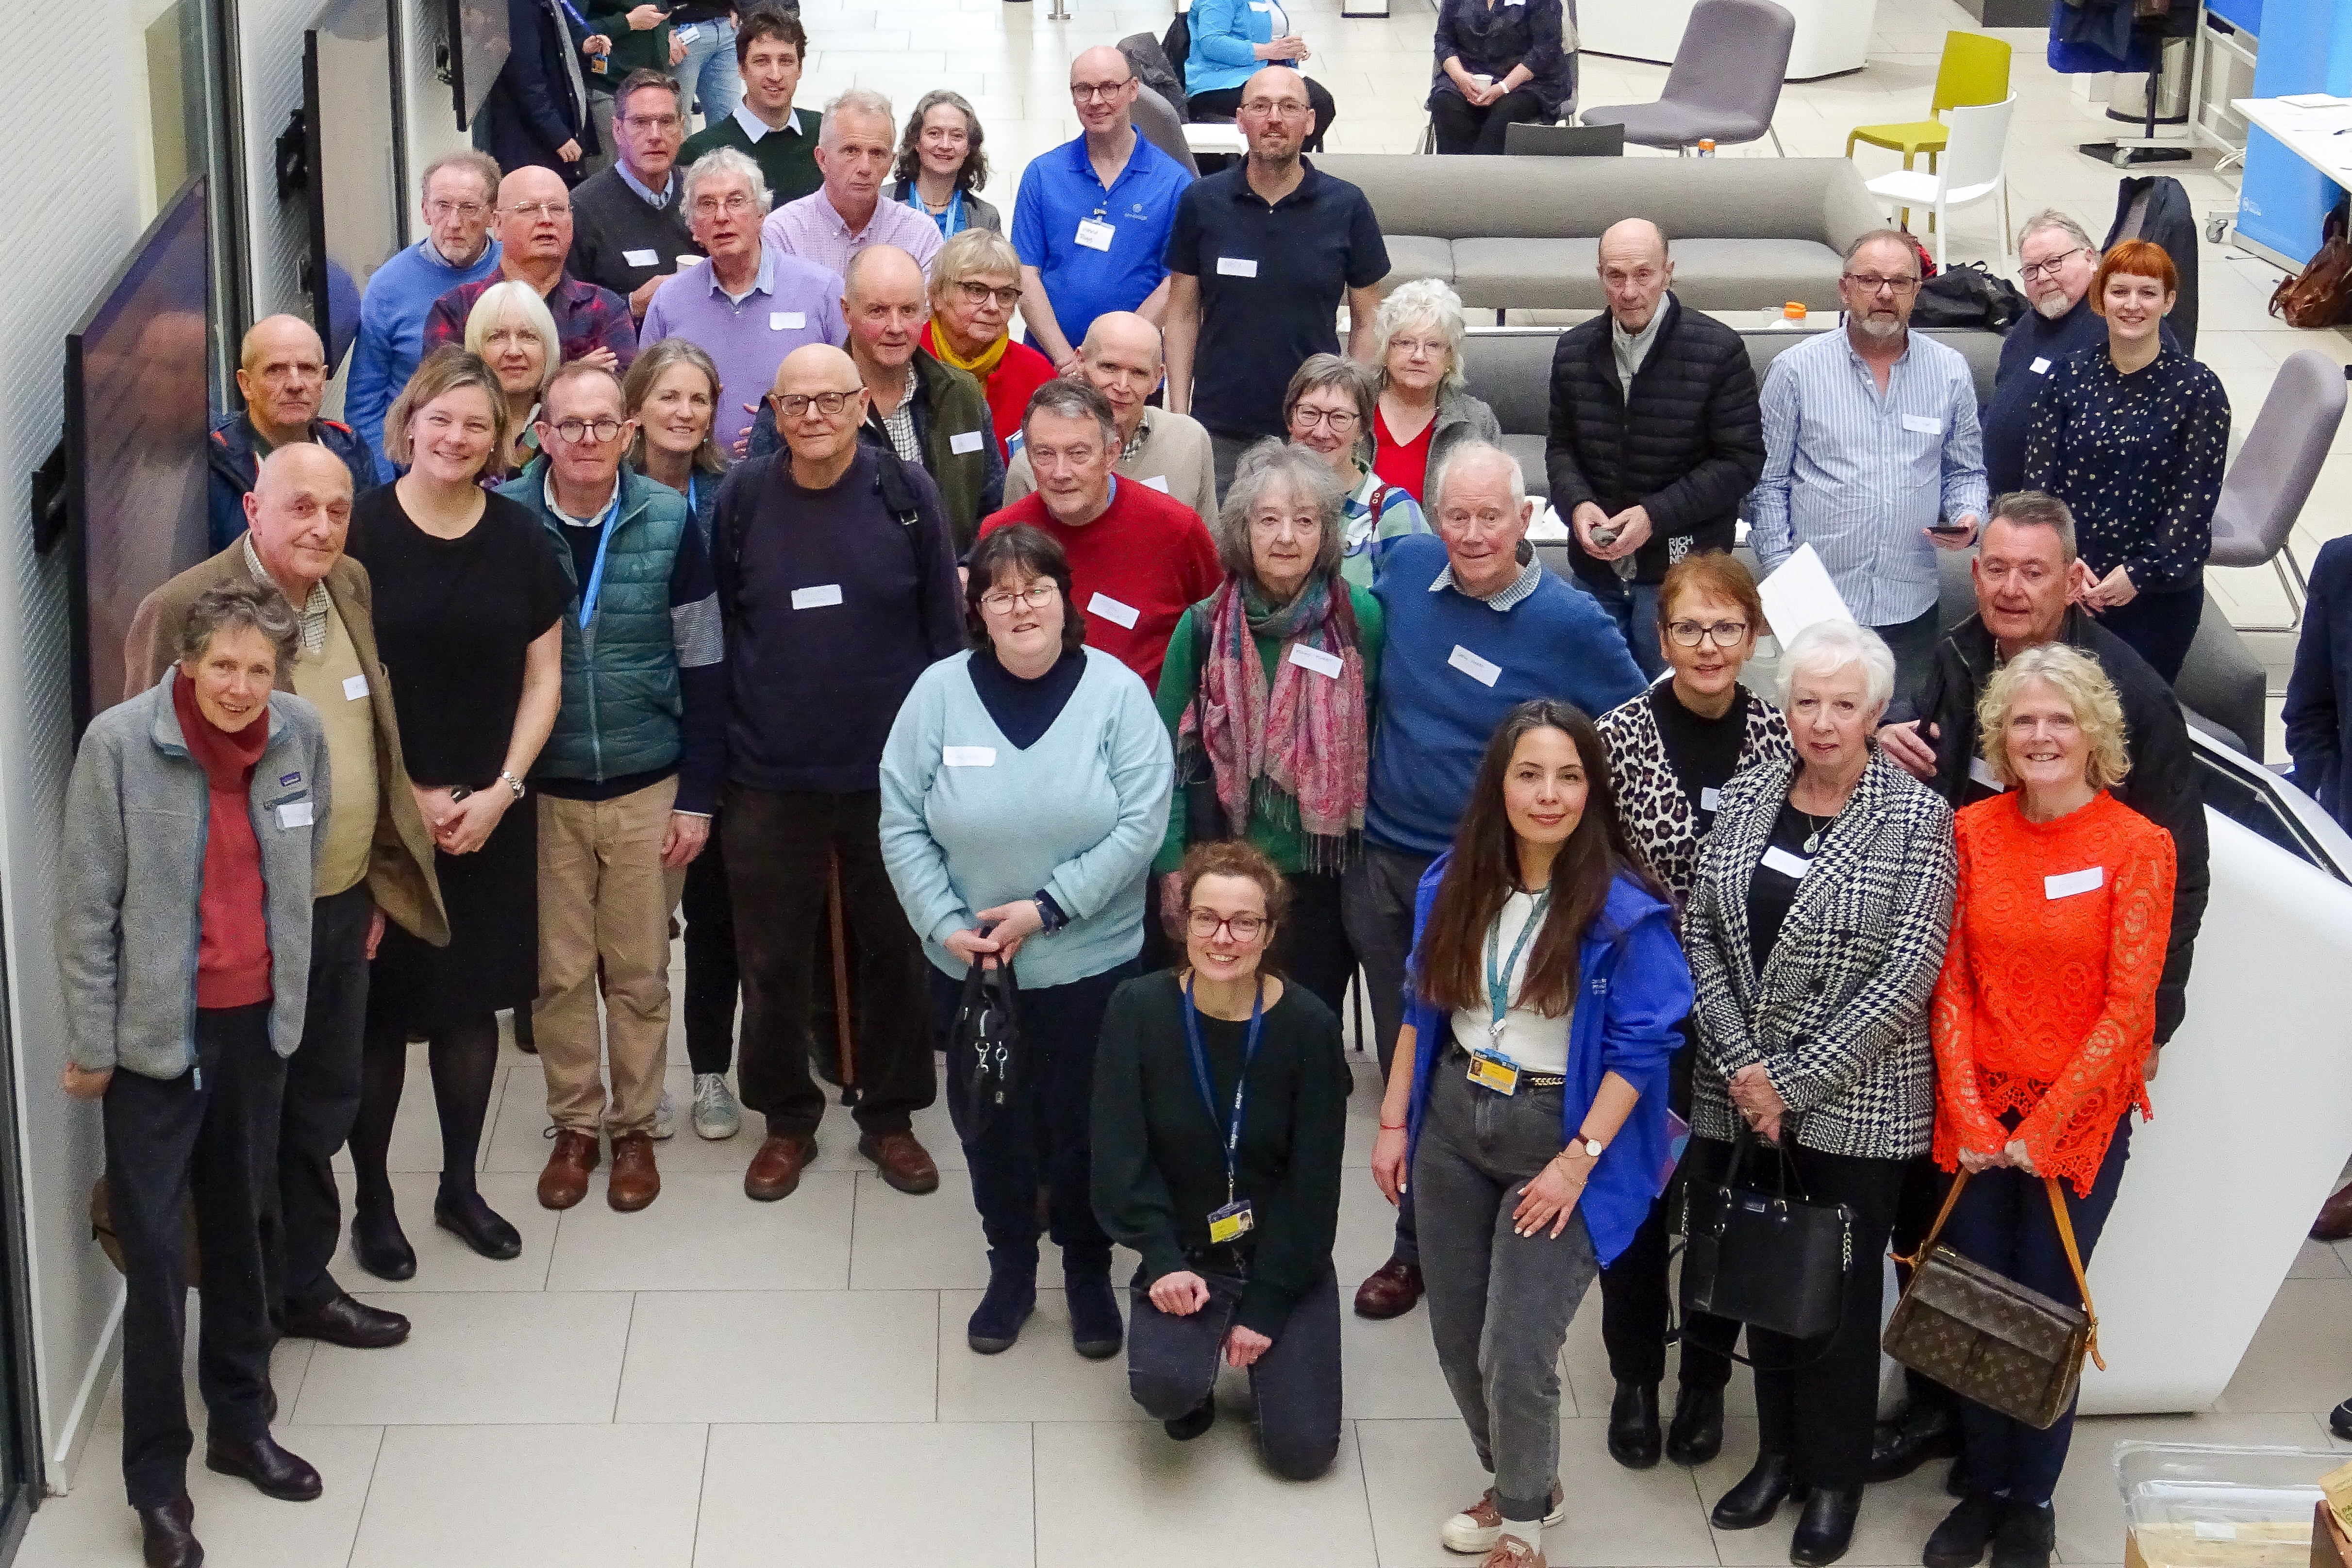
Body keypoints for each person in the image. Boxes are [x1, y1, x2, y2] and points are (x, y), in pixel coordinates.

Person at [1873, 491, 2208, 1475]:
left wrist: (2148, 1023)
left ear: (2071, 581)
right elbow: (1952, 816)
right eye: (1995, 567)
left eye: (2032, 571)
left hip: (2081, 1045)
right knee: (1956, 1256)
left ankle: (2021, 1488)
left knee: (2041, 1284)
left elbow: (2171, 871)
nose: (2010, 587)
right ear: (1972, 572)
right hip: (1973, 1034)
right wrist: (1898, 738)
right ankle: (1952, 1423)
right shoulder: (1960, 648)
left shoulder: (2130, 697)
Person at [124, 444, 450, 1360]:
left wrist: (377, 876)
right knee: (243, 1134)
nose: (320, 526)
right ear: (253, 507)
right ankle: (246, 1312)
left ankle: (303, 1284)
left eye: (337, 509)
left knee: (321, 1105)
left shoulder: (347, 581)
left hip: (341, 907)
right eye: (299, 507)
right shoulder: (184, 609)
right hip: (242, 930)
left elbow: (368, 734)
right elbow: (143, 784)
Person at [1368, 701, 1691, 1568]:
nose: (1548, 795)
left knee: (1517, 1347)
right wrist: (1395, 1120)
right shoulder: (1453, 884)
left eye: (1569, 776)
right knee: (1456, 1335)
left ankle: (1521, 1528)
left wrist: (1577, 1163)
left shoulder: (1625, 911)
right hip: (1451, 1117)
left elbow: (1643, 1049)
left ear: (1593, 788)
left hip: (1564, 1133)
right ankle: (1526, 1478)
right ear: (1499, 786)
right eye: (1529, 774)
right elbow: (1419, 1005)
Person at [61, 583, 330, 1568]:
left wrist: (291, 1004)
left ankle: (241, 1422)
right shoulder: (119, 747)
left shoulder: (299, 733)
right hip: (153, 1048)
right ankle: (158, 1485)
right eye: (222, 665)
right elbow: (85, 910)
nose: (240, 686)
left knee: (246, 1229)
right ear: (185, 661)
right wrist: (96, 1045)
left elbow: (297, 873)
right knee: (160, 1260)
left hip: (256, 1028)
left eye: (259, 669)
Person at [1347, 442, 1645, 1322]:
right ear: (1435, 519)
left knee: (1461, 1054)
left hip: (1493, 885)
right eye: (1457, 516)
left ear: (1527, 522)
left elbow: (1633, 727)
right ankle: (1428, 1229)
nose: (1473, 535)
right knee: (1412, 1051)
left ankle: (1421, 1254)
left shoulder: (1572, 623)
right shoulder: (1402, 570)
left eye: (1492, 517)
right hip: (1389, 863)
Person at [1681, 619, 1956, 1568]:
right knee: (1765, 1279)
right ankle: (1778, 1459)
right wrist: (1742, 1065)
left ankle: (1833, 1480)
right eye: (1806, 700)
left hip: (1855, 1103)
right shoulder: (1755, 788)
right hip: (1738, 1086)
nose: (1823, 721)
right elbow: (1703, 930)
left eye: (1844, 704)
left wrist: (1785, 1082)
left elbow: (1906, 970)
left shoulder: (1915, 818)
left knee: (1835, 1301)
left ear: (1877, 712)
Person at [880, 524, 1173, 1356]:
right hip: (974, 969)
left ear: (1063, 597)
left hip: (1089, 963)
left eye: (1035, 588)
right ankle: (1010, 1265)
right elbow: (900, 819)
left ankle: (1086, 1267)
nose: (1020, 606)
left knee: (1085, 1124)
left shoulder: (1116, 694)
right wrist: (944, 924)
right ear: (977, 607)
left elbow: (1142, 824)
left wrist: (1046, 909)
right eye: (999, 593)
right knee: (990, 1123)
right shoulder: (937, 694)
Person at [1918, 644, 2174, 1568]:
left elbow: (2128, 1008)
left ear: (2093, 732)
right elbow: (1948, 986)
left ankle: (2032, 1497)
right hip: (1978, 1116)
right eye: (2023, 721)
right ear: (2000, 735)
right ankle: (1982, 1488)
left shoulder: (2140, 846)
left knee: (2048, 1305)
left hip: (2079, 1123)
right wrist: (1978, 1117)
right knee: (1978, 1306)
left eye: (2059, 720)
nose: (2040, 736)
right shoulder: (1971, 832)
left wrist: (2046, 1126)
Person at [714, 343, 962, 1204]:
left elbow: (945, 638)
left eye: (830, 401)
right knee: (772, 959)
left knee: (894, 949)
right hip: (768, 773)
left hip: (887, 778)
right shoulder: (743, 499)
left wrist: (942, 767)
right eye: (794, 404)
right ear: (773, 417)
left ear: (864, 406)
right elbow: (721, 627)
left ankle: (890, 1119)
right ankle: (787, 1120)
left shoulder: (906, 496)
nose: (812, 416)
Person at [344, 347, 568, 1277]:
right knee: (383, 1018)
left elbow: (545, 676)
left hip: (491, 815)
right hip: (382, 823)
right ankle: (376, 1205)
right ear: (410, 423)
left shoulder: (520, 539)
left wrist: (504, 791)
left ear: (500, 440)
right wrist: (410, 799)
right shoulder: (356, 537)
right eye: (442, 419)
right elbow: (332, 685)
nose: (458, 437)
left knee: (471, 1007)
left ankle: (460, 1187)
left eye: (478, 424)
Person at [500, 361, 723, 1212]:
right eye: (571, 425)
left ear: (629, 434)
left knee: (636, 970)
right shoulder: (507, 519)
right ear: (541, 435)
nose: (589, 440)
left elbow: (705, 665)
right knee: (556, 975)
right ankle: (575, 1125)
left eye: (605, 424)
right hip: (544, 788)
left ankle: (634, 1127)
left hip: (645, 782)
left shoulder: (670, 520)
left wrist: (698, 796)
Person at [1590, 551, 1791, 1471]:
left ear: (1753, 637)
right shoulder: (1616, 736)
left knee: (1724, 1198)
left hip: (1753, 1017)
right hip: (1647, 1014)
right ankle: (1635, 1376)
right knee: (1640, 1202)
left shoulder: (1788, 741)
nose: (1707, 647)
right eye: (1687, 628)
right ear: (1660, 636)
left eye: (1726, 628)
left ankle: (1706, 1383)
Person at [1093, 838, 1351, 1479]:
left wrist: (1265, 1307)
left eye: (1244, 922)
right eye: (1206, 917)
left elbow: (1314, 1185)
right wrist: (1160, 1260)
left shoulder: (1310, 1027)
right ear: (1183, 923)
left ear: (1269, 931)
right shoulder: (1138, 1009)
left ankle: (1258, 1322)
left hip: (1281, 1252)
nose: (1223, 937)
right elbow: (1118, 1154)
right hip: (1187, 1254)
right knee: (1166, 1387)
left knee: (1302, 1455)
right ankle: (1191, 1351)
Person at [1153, 439, 1383, 1016]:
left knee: (1307, 1029)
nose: (1287, 537)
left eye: (1305, 521)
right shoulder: (1202, 626)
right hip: (1223, 875)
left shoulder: (1363, 618)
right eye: (1270, 519)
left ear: (1326, 534)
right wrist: (1171, 869)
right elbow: (1167, 763)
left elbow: (1379, 736)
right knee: (1223, 1024)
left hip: (1322, 872)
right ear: (1242, 531)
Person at [1748, 230, 1988, 710]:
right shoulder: (1795, 371)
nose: (1884, 293)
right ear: (1844, 289)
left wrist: (1968, 516)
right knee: (1819, 742)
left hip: (1909, 608)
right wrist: (1781, 575)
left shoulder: (1950, 371)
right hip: (1815, 607)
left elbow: (1966, 472)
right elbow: (1765, 486)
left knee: (1899, 747)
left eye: (1900, 282)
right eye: (1870, 280)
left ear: (1918, 292)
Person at [1547, 219, 1765, 680]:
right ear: (1599, 275)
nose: (1628, 291)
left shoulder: (1719, 351)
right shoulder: (1572, 352)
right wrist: (1578, 505)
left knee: (1674, 704)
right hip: (1595, 570)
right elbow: (1562, 450)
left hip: (1680, 573)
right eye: (1615, 276)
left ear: (1668, 272)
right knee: (1595, 702)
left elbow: (1740, 462)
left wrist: (1653, 517)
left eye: (1643, 275)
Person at [623, 337, 742, 1139]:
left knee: (716, 915)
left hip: (719, 726)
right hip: (637, 736)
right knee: (636, 931)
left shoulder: (731, 497)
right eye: (669, 397)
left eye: (698, 400)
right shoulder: (608, 494)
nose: (685, 412)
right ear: (637, 407)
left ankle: (708, 1073)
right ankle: (640, 1078)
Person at [1165, 66, 1387, 494]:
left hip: (1312, 433)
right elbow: (1181, 314)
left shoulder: (1348, 206)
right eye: (1260, 106)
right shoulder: (1201, 202)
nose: (1273, 118)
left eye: (1289, 107)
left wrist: (1348, 413)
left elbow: (1368, 321)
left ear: (1309, 123)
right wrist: (1180, 416)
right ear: (1240, 119)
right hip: (1219, 427)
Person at [2020, 240, 2227, 686]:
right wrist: (2066, 570)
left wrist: (2137, 573)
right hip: (2070, 589)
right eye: (2119, 291)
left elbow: (2194, 503)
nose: (2132, 305)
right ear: (2100, 299)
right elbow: (2039, 490)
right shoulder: (2065, 377)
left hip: (2155, 597)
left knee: (2131, 729)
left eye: (2147, 293)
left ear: (2168, 302)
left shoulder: (2198, 390)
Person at [977, 379, 1221, 692]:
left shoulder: (1176, 528)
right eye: (1044, 454)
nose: (1060, 472)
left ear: (1111, 455)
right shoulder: (1002, 532)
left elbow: (1218, 628)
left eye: (1078, 454)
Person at [748, 246, 1003, 542]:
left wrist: (968, 569)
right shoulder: (799, 405)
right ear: (847, 312)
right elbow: (760, 523)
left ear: (926, 313)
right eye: (878, 311)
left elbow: (992, 508)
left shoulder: (961, 395)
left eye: (908, 311)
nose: (895, 327)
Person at [640, 146, 847, 457]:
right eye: (707, 205)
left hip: (797, 470)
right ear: (694, 227)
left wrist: (784, 429)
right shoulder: (669, 300)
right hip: (693, 475)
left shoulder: (821, 290)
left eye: (736, 202)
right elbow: (645, 397)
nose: (722, 217)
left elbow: (851, 391)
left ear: (761, 214)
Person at [1013, 46, 1194, 373]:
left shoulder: (1173, 182)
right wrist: (1067, 360)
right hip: (1049, 365)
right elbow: (1026, 275)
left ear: (1133, 90)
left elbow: (1174, 286)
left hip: (1131, 370)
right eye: (1083, 89)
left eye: (1109, 87)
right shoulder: (1042, 174)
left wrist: (1113, 356)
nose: (1096, 101)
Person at [1984, 211, 2178, 495]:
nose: (2043, 277)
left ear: (2090, 259)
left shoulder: (2123, 329)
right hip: (2005, 504)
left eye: (2053, 263)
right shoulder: (2029, 324)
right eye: (2031, 270)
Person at [348, 151, 507, 469]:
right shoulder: (388, 287)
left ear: (493, 214)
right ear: (425, 210)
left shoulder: (514, 269)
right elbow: (364, 406)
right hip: (417, 464)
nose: (454, 223)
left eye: (469, 208)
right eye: (442, 206)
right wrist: (387, 486)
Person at [1002, 313, 1217, 525]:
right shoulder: (1036, 463)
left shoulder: (1189, 439)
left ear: (1157, 378)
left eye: (1138, 373)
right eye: (1110, 368)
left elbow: (1209, 546)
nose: (1122, 386)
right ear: (1081, 362)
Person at [424, 165, 640, 371]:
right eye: (528, 209)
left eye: (556, 209)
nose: (546, 220)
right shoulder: (456, 309)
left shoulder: (605, 309)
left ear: (572, 222)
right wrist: (573, 375)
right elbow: (450, 395)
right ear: (498, 224)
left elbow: (616, 396)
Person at [207, 316, 380, 552]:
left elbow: (371, 549)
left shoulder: (349, 448)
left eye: (307, 369)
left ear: (323, 380)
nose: (295, 384)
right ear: (246, 384)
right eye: (276, 370)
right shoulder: (215, 461)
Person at [762, 88, 944, 278]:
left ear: (891, 163)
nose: (865, 168)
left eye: (877, 153)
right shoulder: (782, 235)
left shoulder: (920, 235)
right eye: (851, 151)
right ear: (822, 159)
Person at [1283, 354, 1429, 589]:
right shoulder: (1260, 501)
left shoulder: (1395, 513)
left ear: (1362, 430)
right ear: (1290, 420)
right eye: (1310, 413)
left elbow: (1415, 613)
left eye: (1339, 418)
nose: (1321, 432)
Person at [567, 70, 701, 322]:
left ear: (682, 129)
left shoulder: (702, 198)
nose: (655, 136)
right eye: (640, 123)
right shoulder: (582, 209)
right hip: (625, 353)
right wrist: (630, 305)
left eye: (666, 122)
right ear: (617, 131)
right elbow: (568, 313)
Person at [923, 229, 1053, 461]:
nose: (993, 306)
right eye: (976, 290)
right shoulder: (908, 360)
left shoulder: (1037, 373)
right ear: (937, 296)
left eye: (1005, 294)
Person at [1370, 279, 1501, 504]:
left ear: (1450, 357)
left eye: (1433, 346)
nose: (1419, 356)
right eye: (1405, 343)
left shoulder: (1477, 421)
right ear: (1385, 350)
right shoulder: (1353, 409)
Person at [676, 7, 821, 207]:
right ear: (742, 69)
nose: (775, 75)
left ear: (800, 69)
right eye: (762, 61)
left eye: (786, 61)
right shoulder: (701, 151)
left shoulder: (824, 134)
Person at [1184, 0, 1338, 151]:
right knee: (1315, 103)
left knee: (1319, 104)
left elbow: (1268, 38)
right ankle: (1281, 165)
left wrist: (1290, 51)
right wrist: (1269, 51)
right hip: (1222, 81)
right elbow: (1212, 44)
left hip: (1260, 73)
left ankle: (1287, 163)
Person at [475, 0, 601, 186]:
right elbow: (525, 78)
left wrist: (583, 50)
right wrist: (558, 135)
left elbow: (555, 61)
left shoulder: (553, 5)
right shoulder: (520, 7)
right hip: (532, 148)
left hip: (555, 142)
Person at [1429, 0, 1574, 154]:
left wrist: (1503, 87)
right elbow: (1444, 40)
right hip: (1467, 75)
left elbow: (1545, 51)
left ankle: (1485, 175)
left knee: (1504, 115)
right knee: (1445, 102)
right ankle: (1454, 175)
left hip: (1527, 81)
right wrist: (1459, 77)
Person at [464, 279, 563, 474]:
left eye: (528, 336)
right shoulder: (456, 428)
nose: (514, 351)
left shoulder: (567, 428)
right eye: (498, 337)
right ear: (476, 349)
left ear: (548, 349)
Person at [888, 89, 1001, 237]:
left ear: (969, 148)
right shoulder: (881, 203)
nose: (945, 145)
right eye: (934, 133)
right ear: (916, 141)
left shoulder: (986, 218)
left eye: (957, 136)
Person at [581, 0, 676, 160]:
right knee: (613, 173)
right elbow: (571, 29)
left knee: (654, 168)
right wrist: (628, 22)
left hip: (655, 91)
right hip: (610, 90)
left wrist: (670, 33)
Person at [668, 0, 740, 128]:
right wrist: (662, 30)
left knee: (729, 121)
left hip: (725, 26)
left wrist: (738, 7)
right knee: (677, 119)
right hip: (681, 30)